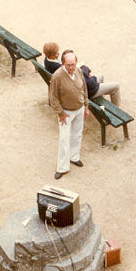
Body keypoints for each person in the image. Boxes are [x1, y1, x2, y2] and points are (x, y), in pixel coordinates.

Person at [49, 49, 89, 179]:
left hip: (79, 108)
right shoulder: (57, 76)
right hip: (66, 112)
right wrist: (60, 113)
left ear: (76, 62)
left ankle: (74, 157)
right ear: (63, 64)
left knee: (77, 135)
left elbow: (84, 88)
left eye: (73, 64)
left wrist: (86, 106)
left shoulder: (78, 71)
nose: (71, 67)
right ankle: (62, 167)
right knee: (64, 139)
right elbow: (53, 97)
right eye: (68, 65)